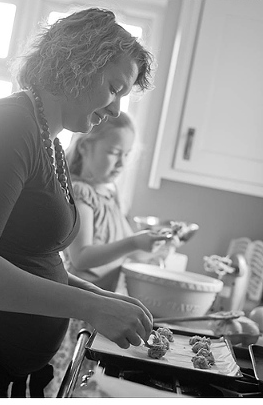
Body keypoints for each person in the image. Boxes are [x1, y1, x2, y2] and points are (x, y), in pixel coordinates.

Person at [0, 8, 154, 398]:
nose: (117, 109)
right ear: (77, 65)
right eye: (114, 89)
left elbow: (35, 260)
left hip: (26, 372)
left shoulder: (50, 138)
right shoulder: (15, 126)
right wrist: (91, 308)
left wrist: (100, 298)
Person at [44, 112, 173, 397]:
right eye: (114, 152)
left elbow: (124, 255)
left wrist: (155, 249)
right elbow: (83, 257)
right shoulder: (81, 192)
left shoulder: (111, 192)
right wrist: (134, 243)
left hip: (104, 310)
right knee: (64, 381)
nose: (122, 162)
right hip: (80, 311)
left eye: (127, 154)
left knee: (88, 385)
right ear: (86, 146)